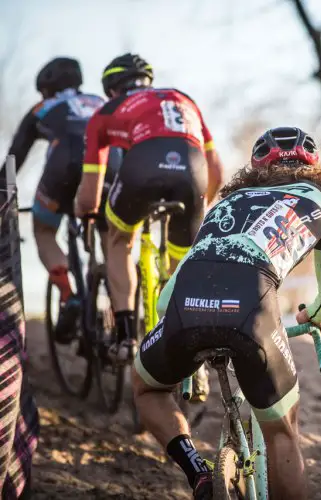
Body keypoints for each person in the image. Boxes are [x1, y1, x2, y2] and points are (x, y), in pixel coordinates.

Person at [132, 126, 321, 499]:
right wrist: (312, 316)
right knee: (282, 432)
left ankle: (196, 470)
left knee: (146, 388)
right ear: (313, 164)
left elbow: (165, 300)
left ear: (255, 166)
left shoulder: (226, 204)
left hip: (187, 308)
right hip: (252, 312)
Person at [74, 53, 224, 365]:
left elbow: (90, 194)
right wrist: (201, 206)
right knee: (180, 259)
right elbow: (216, 170)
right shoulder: (184, 100)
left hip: (142, 166)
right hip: (192, 173)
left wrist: (83, 210)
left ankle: (127, 336)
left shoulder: (105, 112)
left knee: (118, 240)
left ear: (112, 89)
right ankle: (187, 335)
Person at [4, 57, 122, 342]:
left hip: (63, 166)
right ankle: (122, 320)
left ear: (46, 89)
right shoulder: (99, 101)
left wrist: (3, 197)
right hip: (110, 165)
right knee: (112, 240)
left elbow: (15, 156)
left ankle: (69, 296)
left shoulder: (41, 107)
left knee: (44, 230)